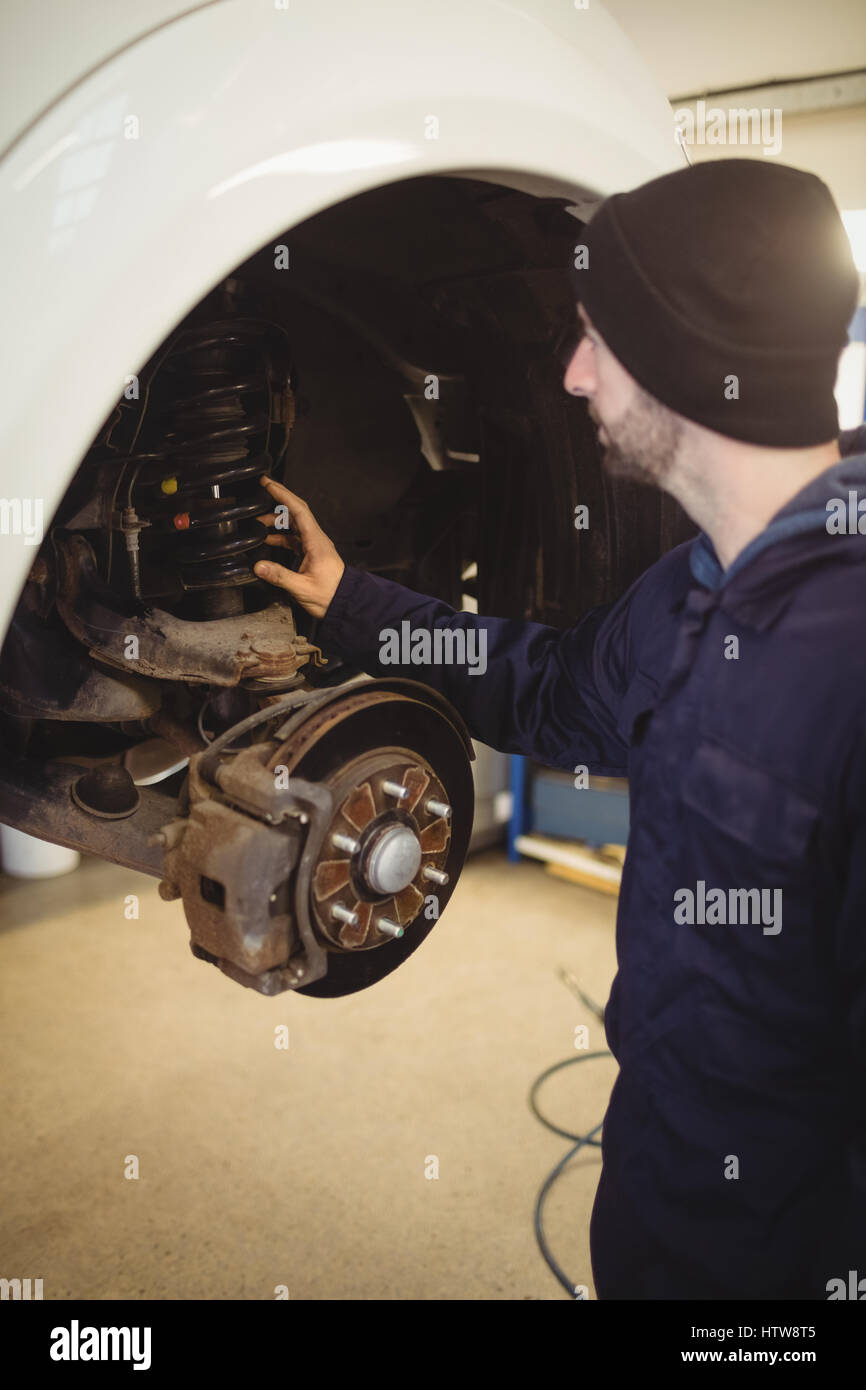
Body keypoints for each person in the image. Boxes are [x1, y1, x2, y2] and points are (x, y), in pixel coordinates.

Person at [253, 159, 865, 1300]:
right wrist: (353, 603)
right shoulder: (690, 591)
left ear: (689, 359)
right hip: (658, 1196)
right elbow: (541, 688)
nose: (573, 376)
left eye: (596, 339)